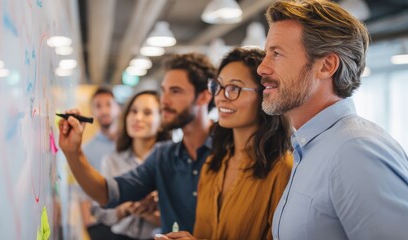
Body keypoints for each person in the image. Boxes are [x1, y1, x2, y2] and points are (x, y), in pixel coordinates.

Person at [257, 1, 408, 239]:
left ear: (327, 66)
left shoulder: (355, 151)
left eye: (276, 54)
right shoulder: (311, 146)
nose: (262, 68)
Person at [58, 53, 217, 234]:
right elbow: (108, 193)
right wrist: (73, 152)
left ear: (204, 97)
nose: (164, 101)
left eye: (175, 91)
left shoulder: (229, 151)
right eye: (164, 91)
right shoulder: (162, 156)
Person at [157, 48, 293, 240]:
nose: (220, 97)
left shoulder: (282, 169)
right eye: (218, 87)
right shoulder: (214, 164)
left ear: (265, 94)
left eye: (234, 88)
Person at [91, 90, 172, 240]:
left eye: (147, 113)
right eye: (133, 111)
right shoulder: (111, 160)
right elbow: (99, 211)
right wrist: (125, 209)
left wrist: (150, 213)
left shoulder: (172, 163)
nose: (138, 118)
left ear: (162, 121)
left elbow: (181, 220)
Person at [79, 87, 120, 232]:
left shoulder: (130, 143)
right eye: (98, 106)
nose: (104, 111)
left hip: (132, 221)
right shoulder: (86, 149)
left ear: (117, 108)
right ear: (92, 111)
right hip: (103, 224)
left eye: (108, 104)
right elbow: (83, 190)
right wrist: (88, 226)